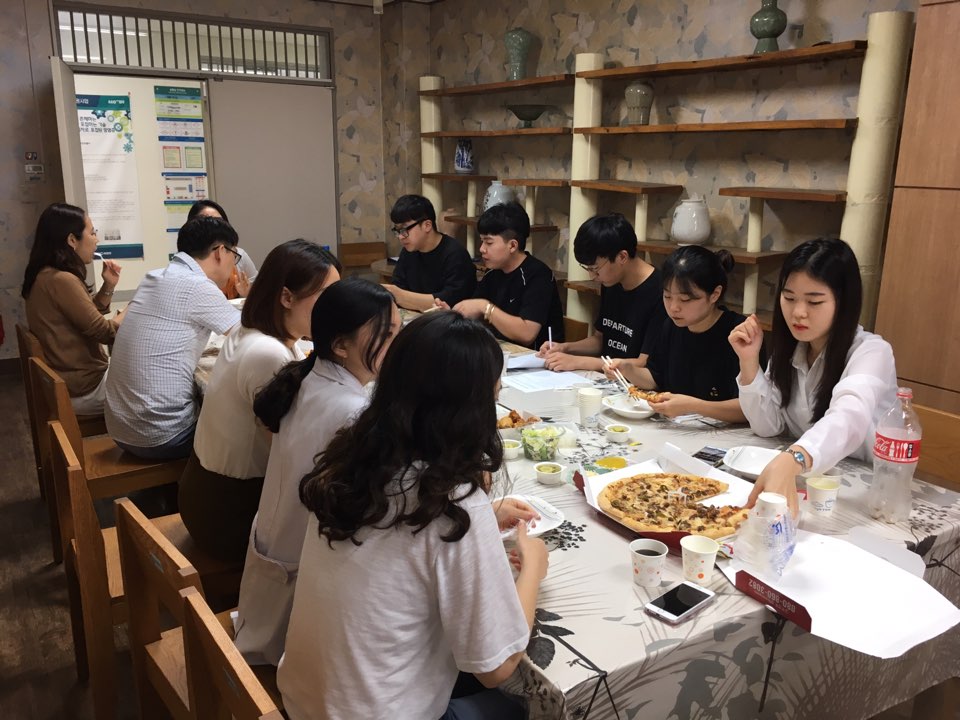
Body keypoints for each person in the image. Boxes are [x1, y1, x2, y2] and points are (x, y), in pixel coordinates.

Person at [277, 311, 549, 720]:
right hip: (371, 711)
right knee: (532, 703)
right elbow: (499, 666)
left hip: (307, 700)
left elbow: (400, 541)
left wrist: (485, 516)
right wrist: (533, 569)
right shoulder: (455, 506)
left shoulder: (353, 461)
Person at [233, 278, 401, 666]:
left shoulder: (310, 376)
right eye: (387, 334)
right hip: (299, 583)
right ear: (341, 346)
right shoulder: (351, 411)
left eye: (398, 331)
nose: (398, 345)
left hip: (278, 551)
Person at [178, 240, 341, 562]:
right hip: (229, 511)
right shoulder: (268, 353)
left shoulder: (251, 329)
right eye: (326, 296)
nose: (336, 308)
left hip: (204, 491)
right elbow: (291, 454)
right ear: (286, 297)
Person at [729, 237, 898, 515]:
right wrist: (749, 362)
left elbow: (849, 417)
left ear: (843, 303)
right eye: (789, 298)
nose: (798, 312)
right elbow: (768, 427)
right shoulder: (793, 348)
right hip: (810, 482)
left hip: (865, 495)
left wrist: (795, 457)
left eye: (814, 301)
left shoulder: (872, 352)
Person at [105, 217, 242, 460]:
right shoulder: (198, 286)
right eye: (235, 255)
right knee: (244, 428)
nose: (234, 264)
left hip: (121, 429)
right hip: (162, 436)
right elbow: (248, 336)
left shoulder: (153, 277)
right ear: (220, 252)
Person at [607, 246, 754, 423]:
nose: (674, 307)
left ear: (715, 294)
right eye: (667, 296)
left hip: (727, 434)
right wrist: (627, 370)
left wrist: (693, 406)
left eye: (685, 299)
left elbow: (749, 409)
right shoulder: (671, 326)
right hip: (678, 427)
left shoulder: (739, 335)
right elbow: (656, 377)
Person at [22, 203, 125, 414]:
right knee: (158, 384)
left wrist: (108, 286)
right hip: (86, 387)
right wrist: (135, 306)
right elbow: (105, 333)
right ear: (72, 240)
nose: (96, 239)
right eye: (92, 233)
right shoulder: (61, 280)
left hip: (70, 382)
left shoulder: (44, 275)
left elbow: (83, 315)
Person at [539, 212, 665, 372]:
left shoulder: (661, 293)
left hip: (634, 383)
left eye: (595, 269)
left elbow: (643, 363)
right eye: (588, 269)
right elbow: (600, 340)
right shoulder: (611, 281)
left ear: (622, 257)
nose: (592, 276)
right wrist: (565, 348)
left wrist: (578, 362)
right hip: (606, 377)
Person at [451, 202, 564, 349]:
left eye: (489, 243)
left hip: (535, 357)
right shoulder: (493, 273)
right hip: (500, 350)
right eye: (482, 241)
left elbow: (527, 334)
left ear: (512, 245)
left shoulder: (538, 275)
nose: (482, 249)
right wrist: (453, 314)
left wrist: (485, 307)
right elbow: (475, 314)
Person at [383, 194, 478, 311]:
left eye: (404, 229)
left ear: (427, 225)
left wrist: (401, 296)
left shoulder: (455, 254)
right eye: (397, 230)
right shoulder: (409, 251)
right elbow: (398, 286)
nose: (401, 236)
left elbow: (448, 300)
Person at [188, 199, 258, 298]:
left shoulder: (238, 255)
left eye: (219, 221)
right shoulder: (188, 266)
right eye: (207, 221)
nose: (214, 227)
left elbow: (257, 287)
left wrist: (245, 294)